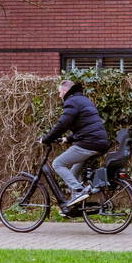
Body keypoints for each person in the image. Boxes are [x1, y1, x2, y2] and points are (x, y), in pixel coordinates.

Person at [40, 80, 110, 208]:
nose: (59, 95)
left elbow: (62, 124)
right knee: (73, 173)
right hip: (99, 141)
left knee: (58, 163)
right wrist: (68, 139)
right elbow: (86, 126)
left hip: (89, 143)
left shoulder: (71, 102)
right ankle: (75, 207)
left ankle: (79, 191)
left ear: (65, 91)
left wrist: (47, 139)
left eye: (60, 92)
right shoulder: (83, 100)